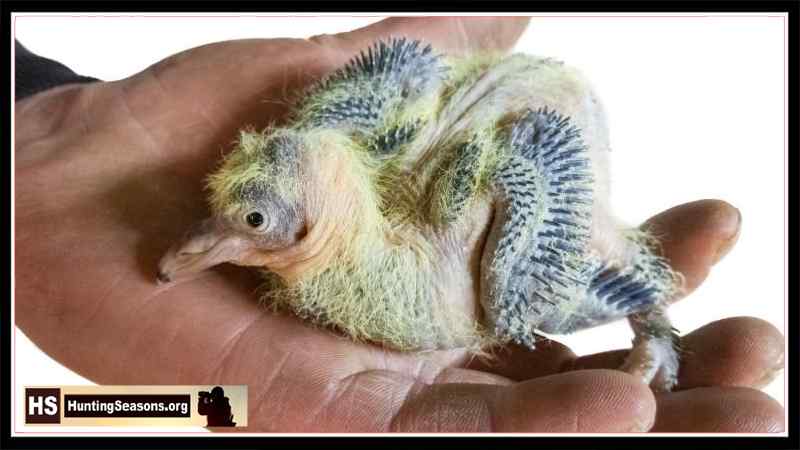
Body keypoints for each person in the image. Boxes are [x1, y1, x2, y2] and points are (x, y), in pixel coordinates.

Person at [14, 17, 784, 432]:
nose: (200, 247)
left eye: (249, 222)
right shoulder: (330, 146)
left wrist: (40, 122)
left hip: (525, 132)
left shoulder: (479, 259)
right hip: (430, 143)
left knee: (524, 294)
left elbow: (507, 158)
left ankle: (654, 320)